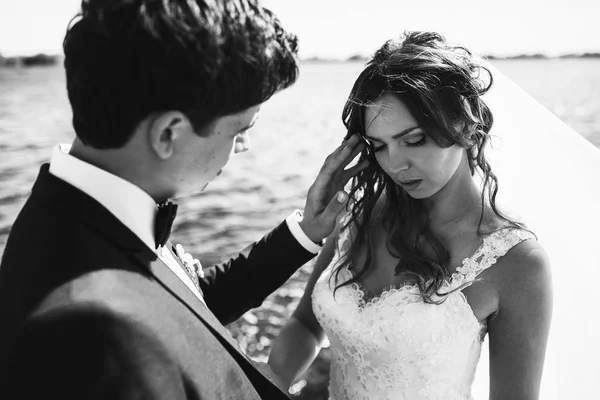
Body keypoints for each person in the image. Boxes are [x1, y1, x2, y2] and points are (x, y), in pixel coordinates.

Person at [0, 1, 368, 399]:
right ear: (168, 134)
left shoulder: (83, 213)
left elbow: (184, 307)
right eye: (239, 129)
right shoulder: (96, 335)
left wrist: (306, 232)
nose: (242, 146)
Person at [269, 31, 553, 399]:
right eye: (379, 146)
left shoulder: (517, 263)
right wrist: (265, 388)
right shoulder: (357, 212)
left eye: (414, 140)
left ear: (466, 124)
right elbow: (306, 325)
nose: (395, 164)